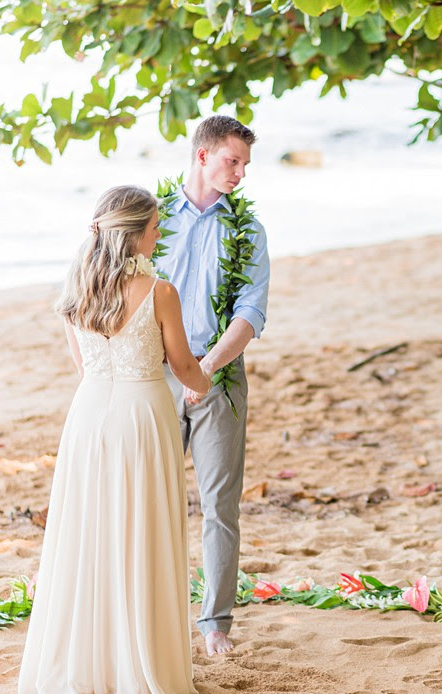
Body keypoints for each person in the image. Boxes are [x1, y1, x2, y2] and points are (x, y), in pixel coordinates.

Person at [19, 185, 211, 694]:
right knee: (141, 531)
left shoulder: (75, 290)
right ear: (135, 234)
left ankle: (91, 667)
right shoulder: (160, 291)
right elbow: (184, 368)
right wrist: (207, 378)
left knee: (91, 534)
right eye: (154, 228)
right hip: (141, 417)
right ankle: (138, 666)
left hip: (88, 419)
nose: (159, 235)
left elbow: (83, 367)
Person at [155, 115, 271, 656]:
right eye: (233, 160)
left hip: (219, 379)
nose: (241, 173)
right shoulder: (152, 220)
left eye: (245, 164)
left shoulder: (248, 232)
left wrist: (206, 372)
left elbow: (250, 314)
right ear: (202, 155)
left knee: (220, 506)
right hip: (152, 377)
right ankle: (149, 610)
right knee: (149, 500)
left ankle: (215, 624)